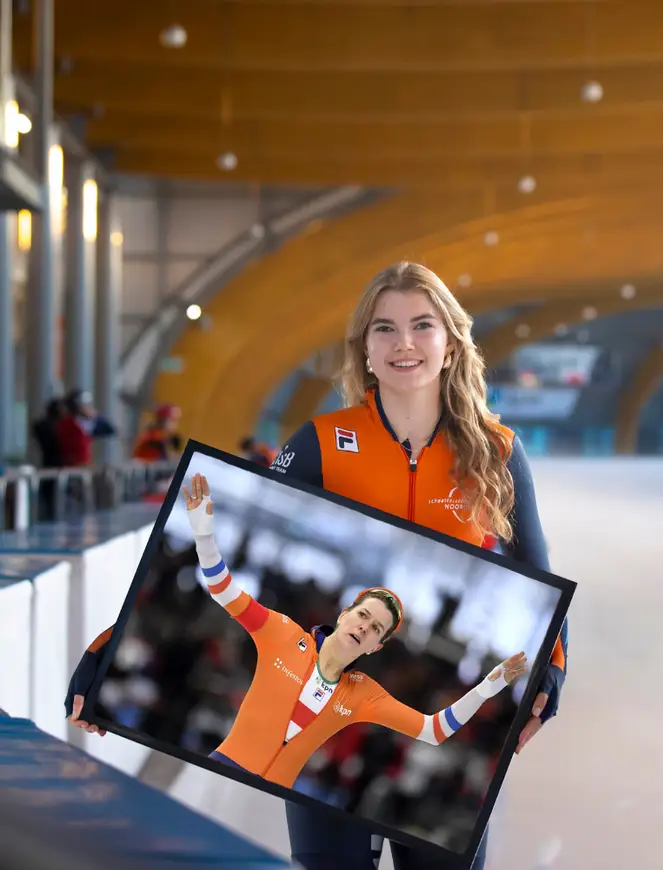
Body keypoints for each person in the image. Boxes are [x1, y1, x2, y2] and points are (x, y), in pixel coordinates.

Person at [67, 261, 569, 870]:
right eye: (384, 328)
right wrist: (105, 649)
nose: (403, 343)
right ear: (364, 348)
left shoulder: (497, 451)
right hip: (308, 773)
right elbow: (216, 580)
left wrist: (550, 674)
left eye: (422, 325)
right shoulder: (320, 442)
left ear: (452, 341)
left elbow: (537, 570)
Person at [182, 472, 527, 789]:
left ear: (376, 646)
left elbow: (433, 730)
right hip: (220, 770)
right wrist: (203, 535)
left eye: (376, 628)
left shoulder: (363, 694)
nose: (365, 626)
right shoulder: (283, 633)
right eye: (363, 615)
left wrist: (489, 686)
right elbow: (223, 589)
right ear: (344, 614)